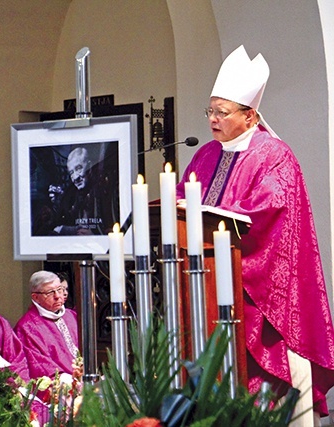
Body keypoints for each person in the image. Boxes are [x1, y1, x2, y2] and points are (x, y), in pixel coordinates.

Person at [176, 45, 334, 421]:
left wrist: (214, 217)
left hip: (260, 296)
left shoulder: (274, 155)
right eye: (210, 111)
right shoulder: (205, 156)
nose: (212, 119)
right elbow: (183, 200)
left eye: (222, 112)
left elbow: (270, 215)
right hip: (209, 290)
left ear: (249, 116)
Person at [14, 271, 78, 381]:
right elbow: (39, 365)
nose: (58, 296)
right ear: (35, 297)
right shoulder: (27, 328)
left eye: (60, 289)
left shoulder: (71, 315)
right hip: (60, 384)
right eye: (50, 293)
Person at [53, 146, 118, 236]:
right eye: (71, 173)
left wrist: (95, 236)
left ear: (90, 166)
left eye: (78, 168)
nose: (75, 177)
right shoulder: (75, 197)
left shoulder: (106, 190)